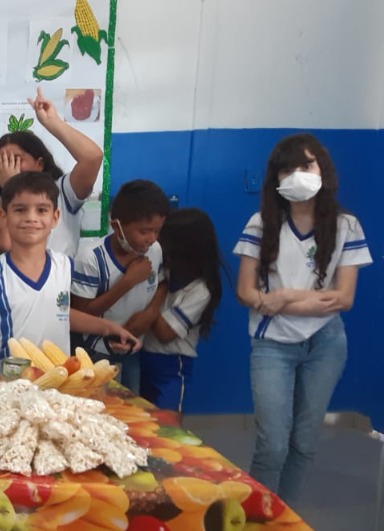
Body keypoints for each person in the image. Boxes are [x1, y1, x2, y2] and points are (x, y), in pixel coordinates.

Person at [234, 133, 370, 503]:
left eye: (306, 166)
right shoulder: (261, 224)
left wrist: (284, 297)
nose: (298, 175)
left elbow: (344, 298)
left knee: (305, 442)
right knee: (273, 445)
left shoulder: (347, 226)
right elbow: (245, 292)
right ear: (275, 178)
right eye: (288, 169)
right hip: (272, 344)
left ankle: (285, 518)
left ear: (323, 169)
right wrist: (299, 302)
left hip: (326, 343)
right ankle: (258, 520)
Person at [0, 172, 139, 377]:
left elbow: (58, 312)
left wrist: (109, 328)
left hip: (56, 382)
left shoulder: (65, 266)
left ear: (55, 217)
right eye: (20, 210)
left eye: (41, 210)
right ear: (3, 216)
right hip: (4, 383)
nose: (31, 218)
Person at [71, 180, 172, 391]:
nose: (151, 239)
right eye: (144, 231)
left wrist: (148, 315)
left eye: (157, 231)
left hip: (132, 348)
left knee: (130, 404)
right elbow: (81, 312)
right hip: (96, 353)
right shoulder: (91, 258)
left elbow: (162, 284)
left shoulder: (155, 250)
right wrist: (127, 282)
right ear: (117, 226)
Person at [0, 89, 104, 257]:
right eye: (2, 161)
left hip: (61, 274)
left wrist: (52, 122)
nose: (10, 166)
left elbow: (92, 158)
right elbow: (7, 245)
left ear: (39, 164)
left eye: (17, 159)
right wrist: (11, 188)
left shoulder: (62, 192)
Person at [140, 208, 223, 411]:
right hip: (142, 357)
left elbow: (165, 333)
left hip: (172, 364)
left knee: (167, 420)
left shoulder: (201, 290)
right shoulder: (164, 271)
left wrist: (157, 293)